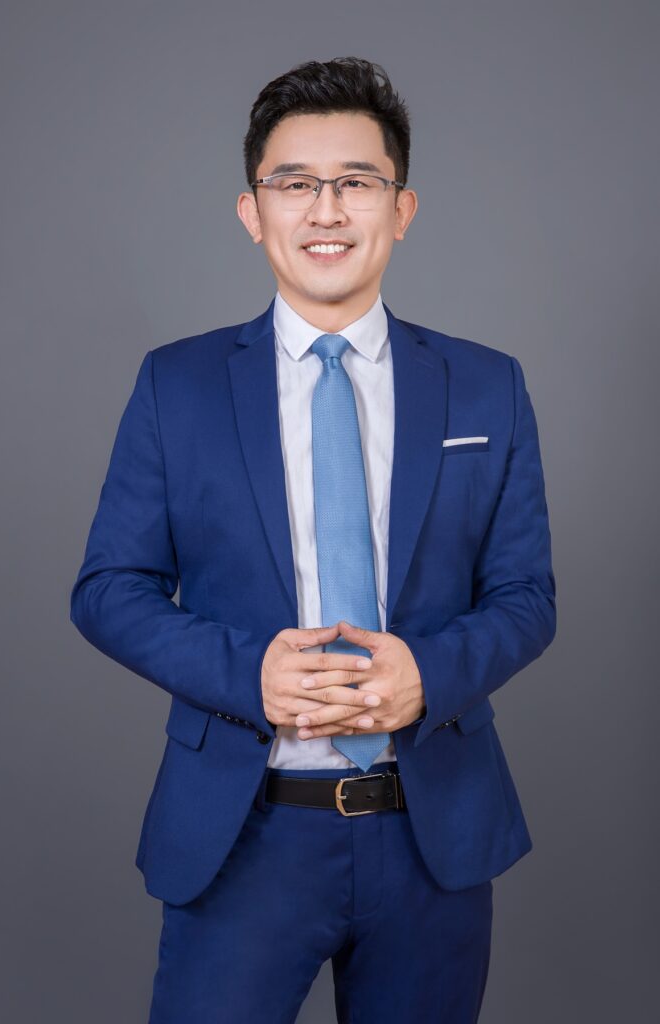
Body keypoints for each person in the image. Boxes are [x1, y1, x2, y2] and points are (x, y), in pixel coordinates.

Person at [70, 55, 556, 1024]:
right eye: (293, 184)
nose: (325, 210)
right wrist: (247, 672)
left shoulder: (485, 385)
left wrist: (428, 673)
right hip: (243, 834)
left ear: (400, 208)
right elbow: (108, 587)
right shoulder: (177, 385)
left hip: (430, 835)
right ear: (252, 211)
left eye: (355, 182)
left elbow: (525, 598)